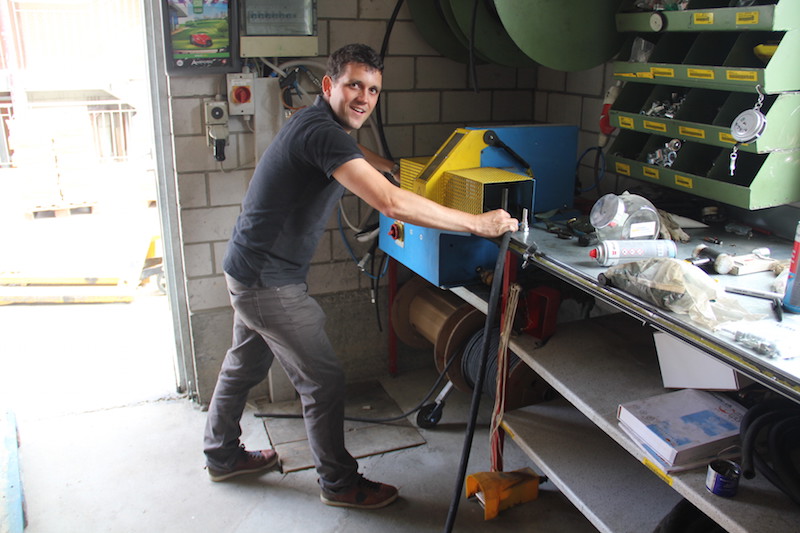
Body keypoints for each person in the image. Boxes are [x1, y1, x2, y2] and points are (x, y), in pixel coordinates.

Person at [203, 43, 518, 509]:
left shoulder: (314, 121)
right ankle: (339, 483)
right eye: (354, 85)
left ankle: (221, 455)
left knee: (244, 364)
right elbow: (389, 204)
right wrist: (478, 224)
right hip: (269, 283)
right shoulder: (323, 133)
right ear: (329, 85)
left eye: (373, 90)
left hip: (247, 268)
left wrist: (391, 168)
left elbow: (353, 150)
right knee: (323, 381)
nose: (364, 98)